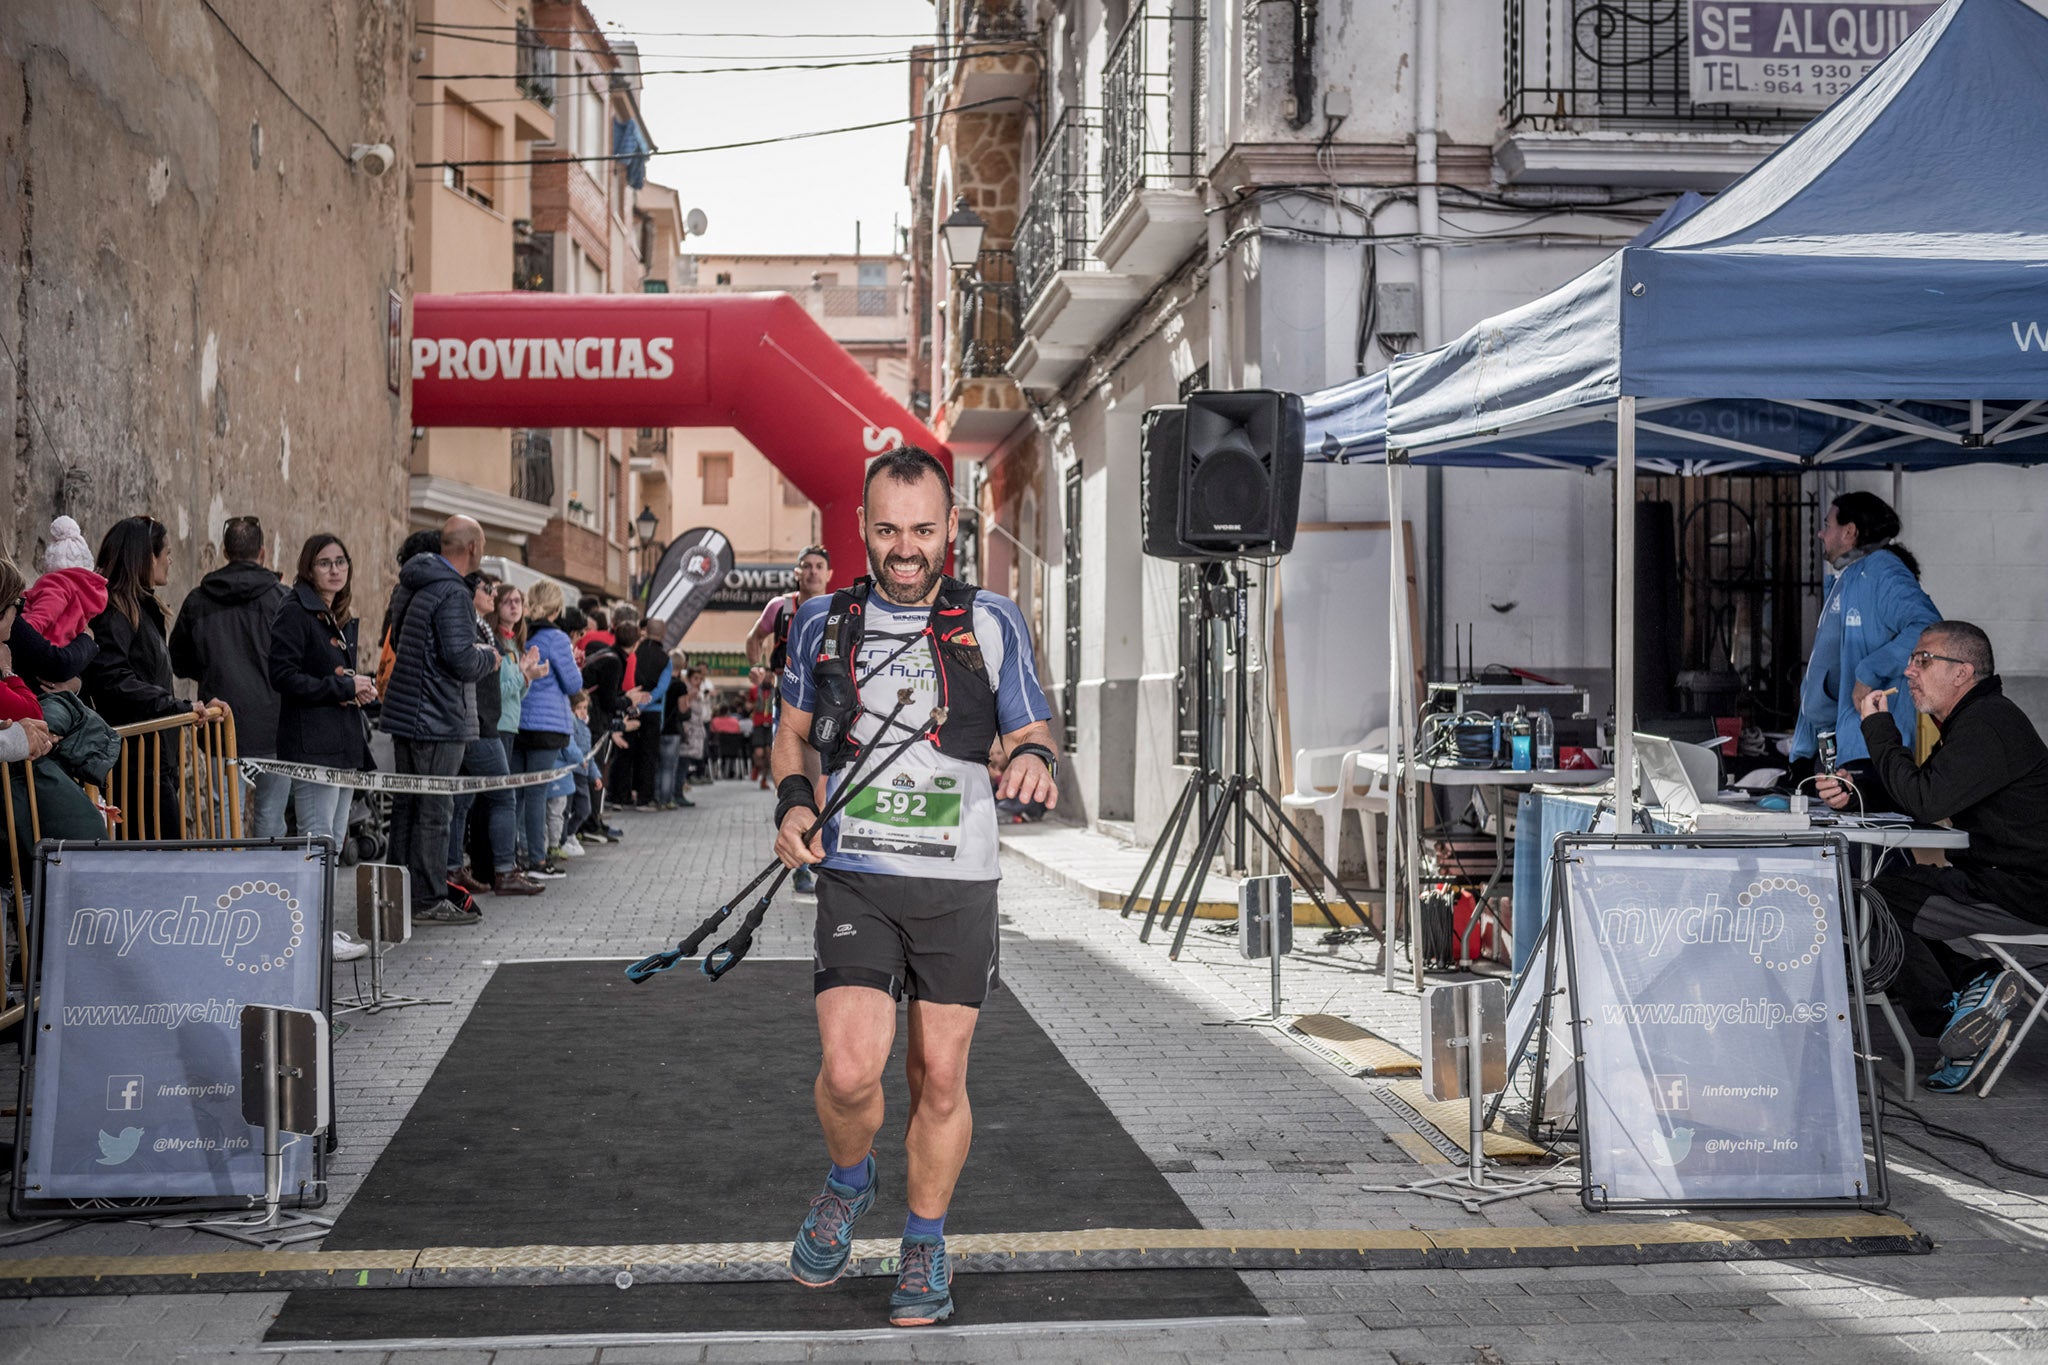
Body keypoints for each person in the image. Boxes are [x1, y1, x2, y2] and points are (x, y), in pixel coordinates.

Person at [772, 447, 1058, 1327]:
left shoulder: (992, 620)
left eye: (924, 530)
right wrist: (792, 806)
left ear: (951, 530)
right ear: (861, 527)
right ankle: (849, 1179)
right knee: (852, 1071)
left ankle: (925, 1240)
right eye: (889, 530)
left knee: (940, 1075)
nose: (906, 548)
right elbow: (792, 737)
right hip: (857, 875)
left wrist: (1037, 764)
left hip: (959, 885)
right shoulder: (822, 621)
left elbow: (1034, 732)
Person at [1819, 621, 2048, 1093]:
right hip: (2005, 879)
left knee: (1874, 902)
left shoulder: (1989, 722)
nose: (1909, 671)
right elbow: (1927, 787)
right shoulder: (1977, 720)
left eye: (1923, 660)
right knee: (1880, 895)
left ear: (1962, 672)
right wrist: (1856, 788)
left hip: (2023, 888)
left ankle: (1954, 1011)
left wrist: (1878, 728)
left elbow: (1927, 800)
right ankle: (1973, 991)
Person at [380, 516, 498, 925]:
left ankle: (395, 896)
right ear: (472, 550)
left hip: (409, 713)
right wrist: (490, 655)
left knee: (408, 807)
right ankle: (428, 899)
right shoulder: (451, 592)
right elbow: (460, 658)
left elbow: (399, 642)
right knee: (434, 810)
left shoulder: (412, 585)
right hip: (438, 716)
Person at [1792, 491, 1940, 801]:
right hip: (1837, 748)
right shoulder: (1847, 579)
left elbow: (1927, 628)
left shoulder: (1882, 569)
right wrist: (1802, 752)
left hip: (1871, 750)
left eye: (1827, 524)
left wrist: (1869, 672)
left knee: (1867, 847)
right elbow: (1825, 667)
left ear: (1850, 531)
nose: (1821, 533)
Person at [267, 535, 374, 957]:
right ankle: (312, 934)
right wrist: (341, 686)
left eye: (341, 562)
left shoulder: (334, 614)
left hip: (343, 742)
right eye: (325, 563)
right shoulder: (294, 610)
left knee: (335, 837)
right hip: (312, 745)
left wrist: (358, 688)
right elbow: (283, 675)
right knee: (317, 840)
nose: (334, 569)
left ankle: (325, 927)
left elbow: (334, 678)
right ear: (309, 568)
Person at [85, 516, 213, 836]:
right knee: (159, 859)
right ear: (146, 557)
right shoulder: (115, 611)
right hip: (135, 764)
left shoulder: (142, 608)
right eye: (166, 552)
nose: (170, 560)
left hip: (155, 760)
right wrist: (175, 706)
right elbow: (113, 679)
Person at [171, 516, 290, 836]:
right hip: (277, 725)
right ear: (262, 552)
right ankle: (265, 882)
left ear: (224, 551)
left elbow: (179, 662)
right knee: (270, 816)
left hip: (219, 722)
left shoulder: (198, 599)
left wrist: (214, 670)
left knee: (226, 810)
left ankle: (232, 878)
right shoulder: (282, 599)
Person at [448, 574, 542, 898]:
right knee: (503, 796)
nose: (495, 595)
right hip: (483, 724)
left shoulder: (490, 632)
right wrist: (521, 675)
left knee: (461, 800)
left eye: (518, 600)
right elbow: (491, 684)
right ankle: (504, 871)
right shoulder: (475, 629)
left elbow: (508, 692)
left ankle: (454, 869)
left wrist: (525, 677)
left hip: (486, 722)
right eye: (492, 591)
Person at [512, 581, 581, 879]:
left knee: (515, 793)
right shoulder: (557, 637)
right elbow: (573, 684)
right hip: (547, 724)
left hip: (517, 721)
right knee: (537, 793)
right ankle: (537, 860)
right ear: (557, 608)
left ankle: (515, 855)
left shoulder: (521, 632)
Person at [15, 516, 102, 690]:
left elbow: (42, 616)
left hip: (44, 659)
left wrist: (25, 630)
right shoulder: (81, 596)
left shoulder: (58, 586)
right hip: (59, 660)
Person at [747, 544, 832, 672]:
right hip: (784, 688)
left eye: (819, 566)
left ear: (829, 574)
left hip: (822, 688)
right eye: (807, 566)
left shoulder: (838, 609)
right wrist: (756, 667)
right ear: (797, 574)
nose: (813, 571)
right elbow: (754, 638)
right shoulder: (781, 606)